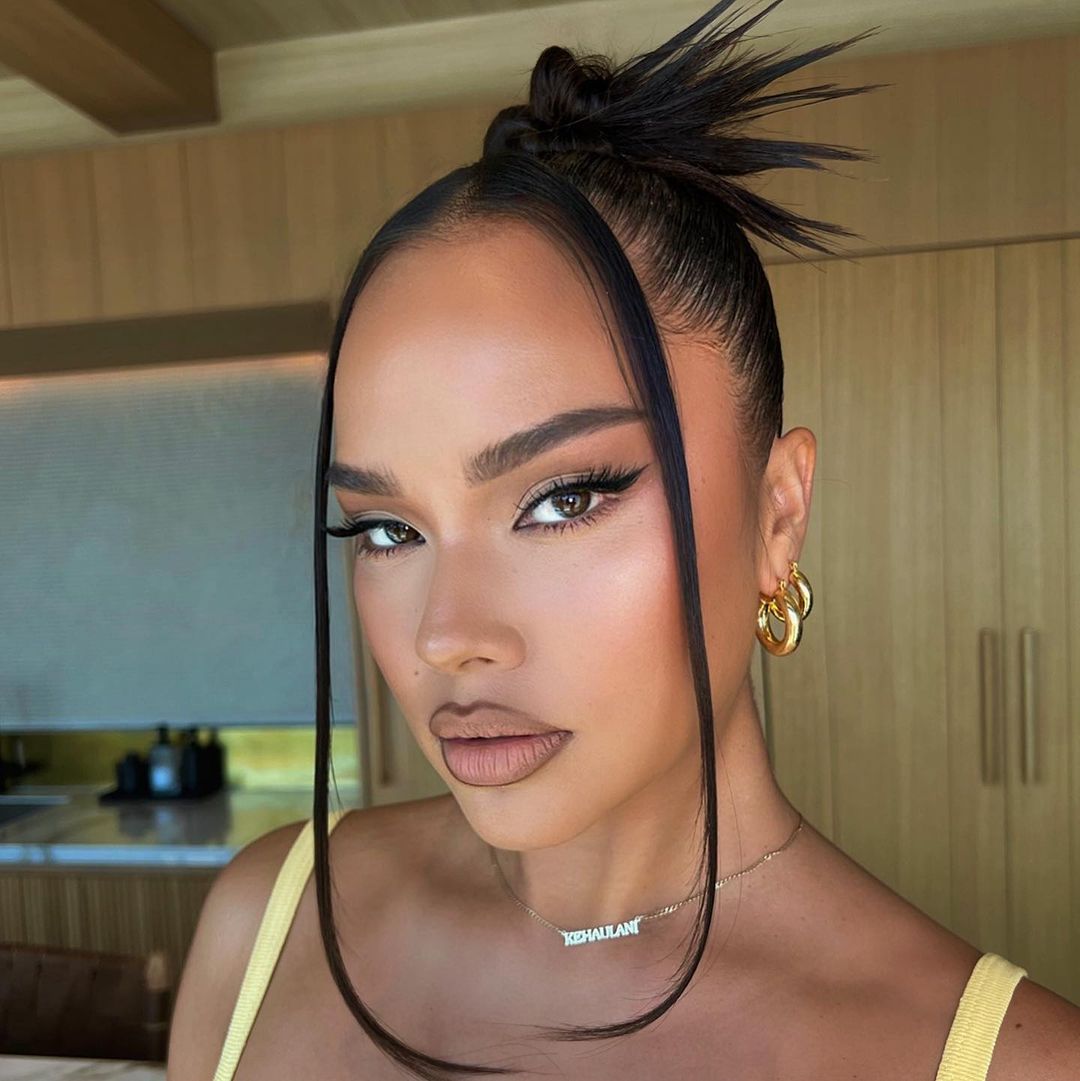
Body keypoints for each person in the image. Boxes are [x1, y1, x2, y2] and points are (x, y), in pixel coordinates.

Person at [167, 2, 1080, 1078]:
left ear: (779, 516)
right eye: (387, 527)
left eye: (563, 500)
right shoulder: (262, 923)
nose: (448, 635)